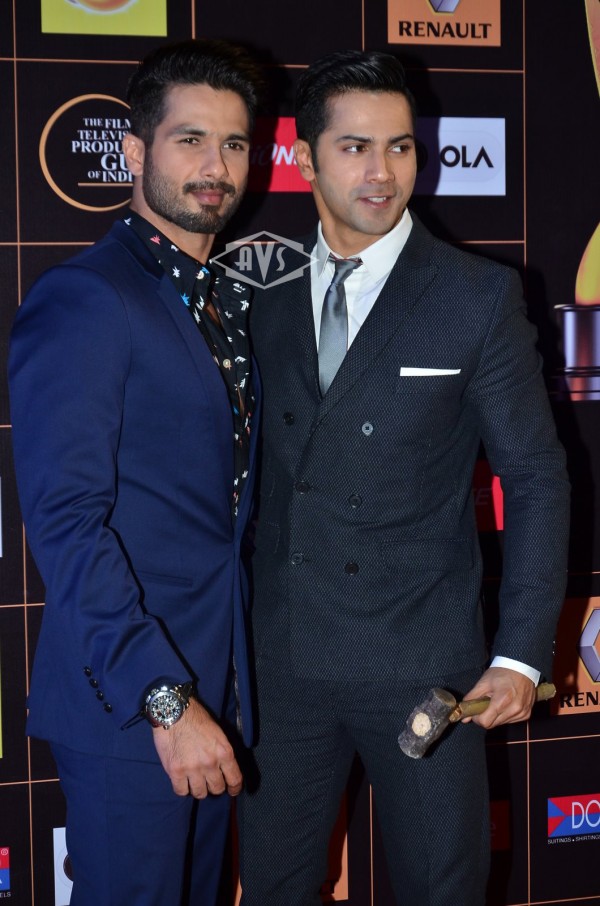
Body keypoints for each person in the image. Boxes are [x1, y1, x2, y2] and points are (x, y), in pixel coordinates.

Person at [239, 50, 570, 906]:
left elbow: (535, 477)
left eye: (400, 147)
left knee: (441, 889)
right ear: (304, 158)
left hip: (422, 665)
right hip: (283, 659)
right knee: (273, 887)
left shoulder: (476, 295)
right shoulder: (262, 295)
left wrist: (521, 654)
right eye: (354, 148)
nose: (382, 172)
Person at [9, 38, 263, 906]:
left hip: (217, 696)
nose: (215, 167)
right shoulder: (87, 298)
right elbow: (66, 523)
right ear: (132, 152)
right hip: (132, 706)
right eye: (190, 140)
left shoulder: (222, 302)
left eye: (234, 144)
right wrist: (165, 700)